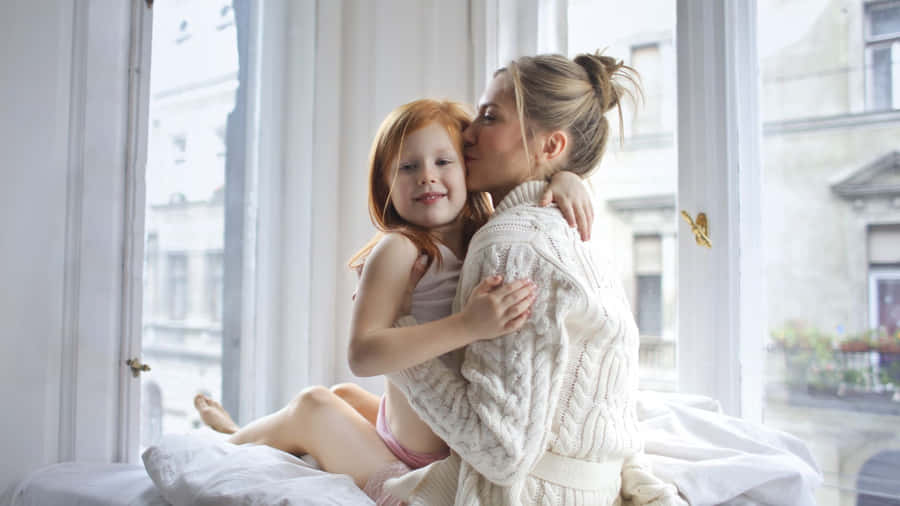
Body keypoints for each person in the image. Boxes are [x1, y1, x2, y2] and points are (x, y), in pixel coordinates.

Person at [193, 98, 595, 503]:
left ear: (468, 169)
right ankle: (232, 442)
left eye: (443, 161)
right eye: (407, 167)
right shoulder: (400, 249)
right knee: (314, 403)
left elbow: (532, 198)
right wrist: (468, 325)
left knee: (344, 398)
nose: (426, 177)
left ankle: (248, 432)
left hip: (444, 438)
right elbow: (363, 354)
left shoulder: (488, 236)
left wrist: (564, 180)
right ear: (386, 184)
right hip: (415, 455)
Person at [378, 53, 685, 506]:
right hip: (589, 491)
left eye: (489, 116)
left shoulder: (510, 244)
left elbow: (499, 453)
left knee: (318, 410)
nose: (467, 132)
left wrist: (399, 340)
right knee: (336, 402)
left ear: (550, 146)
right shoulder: (575, 238)